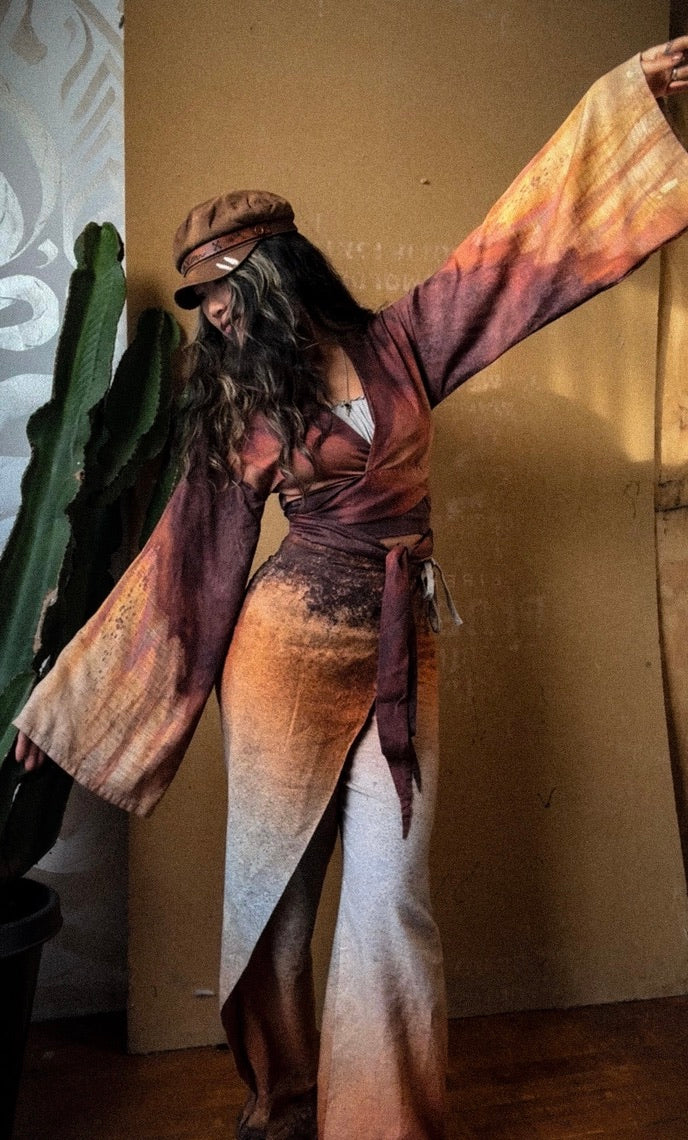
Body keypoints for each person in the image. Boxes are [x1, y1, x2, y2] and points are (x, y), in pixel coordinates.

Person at [14, 41, 688, 1140]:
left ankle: (384, 1125)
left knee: (393, 901)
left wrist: (620, 98)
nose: (209, 315)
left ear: (272, 271)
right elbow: (186, 564)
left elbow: (517, 254)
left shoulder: (405, 342)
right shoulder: (237, 410)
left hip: (401, 644)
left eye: (219, 290)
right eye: (197, 299)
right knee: (274, 905)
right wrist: (69, 703)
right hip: (282, 655)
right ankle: (282, 1100)